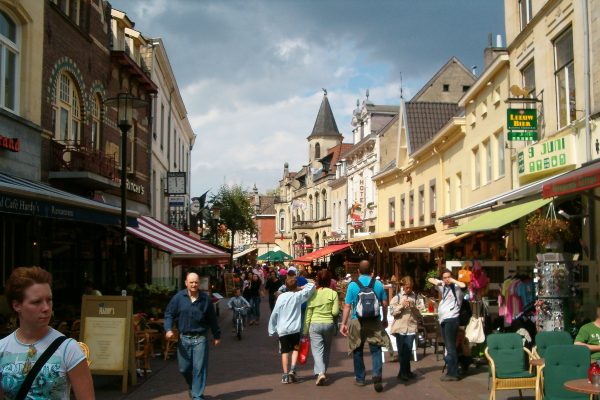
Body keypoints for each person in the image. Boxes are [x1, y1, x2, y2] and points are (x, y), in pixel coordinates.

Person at [0, 266, 94, 399]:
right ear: (17, 305)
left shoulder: (69, 348)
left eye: (49, 300)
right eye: (36, 302)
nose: (46, 308)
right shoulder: (2, 349)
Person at [164, 271, 221, 400]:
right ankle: (192, 385)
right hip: (184, 339)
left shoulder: (205, 299)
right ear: (186, 283)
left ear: (199, 283)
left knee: (199, 368)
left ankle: (197, 395)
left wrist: (217, 336)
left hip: (200, 338)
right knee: (184, 369)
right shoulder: (178, 298)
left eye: (196, 282)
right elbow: (169, 314)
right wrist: (168, 329)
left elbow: (212, 319)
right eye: (191, 282)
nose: (194, 284)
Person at [340, 260, 388, 393]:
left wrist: (343, 323)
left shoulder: (353, 285)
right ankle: (377, 375)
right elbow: (384, 303)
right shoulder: (378, 284)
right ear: (371, 271)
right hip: (374, 321)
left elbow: (348, 306)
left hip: (357, 321)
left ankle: (360, 378)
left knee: (357, 350)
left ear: (358, 271)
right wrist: (384, 318)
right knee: (376, 349)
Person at [268, 276, 315, 384]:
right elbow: (312, 285)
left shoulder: (281, 297)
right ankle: (292, 370)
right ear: (296, 285)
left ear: (286, 286)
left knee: (284, 352)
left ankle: (285, 375)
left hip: (283, 329)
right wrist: (301, 287)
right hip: (295, 329)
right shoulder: (298, 296)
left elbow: (275, 312)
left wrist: (272, 328)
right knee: (295, 349)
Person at [428, 268, 467, 381]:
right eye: (444, 277)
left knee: (450, 347)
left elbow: (463, 285)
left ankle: (453, 373)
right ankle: (453, 369)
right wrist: (440, 282)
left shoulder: (457, 288)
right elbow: (430, 279)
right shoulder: (443, 286)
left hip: (452, 319)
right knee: (449, 346)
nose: (447, 279)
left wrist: (453, 280)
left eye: (448, 277)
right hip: (444, 319)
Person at [303, 269, 339, 386]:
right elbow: (335, 312)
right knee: (327, 349)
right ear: (329, 281)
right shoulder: (333, 293)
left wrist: (305, 330)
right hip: (328, 323)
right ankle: (322, 372)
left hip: (315, 324)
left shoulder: (313, 294)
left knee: (317, 350)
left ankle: (320, 372)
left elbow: (308, 314)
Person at [390, 276, 423, 381]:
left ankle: (404, 372)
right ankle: (405, 372)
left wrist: (413, 307)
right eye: (407, 287)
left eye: (410, 287)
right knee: (402, 352)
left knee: (408, 351)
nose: (409, 290)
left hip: (411, 327)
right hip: (400, 328)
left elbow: (420, 313)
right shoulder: (397, 298)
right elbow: (392, 313)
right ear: (403, 286)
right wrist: (401, 306)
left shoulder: (416, 297)